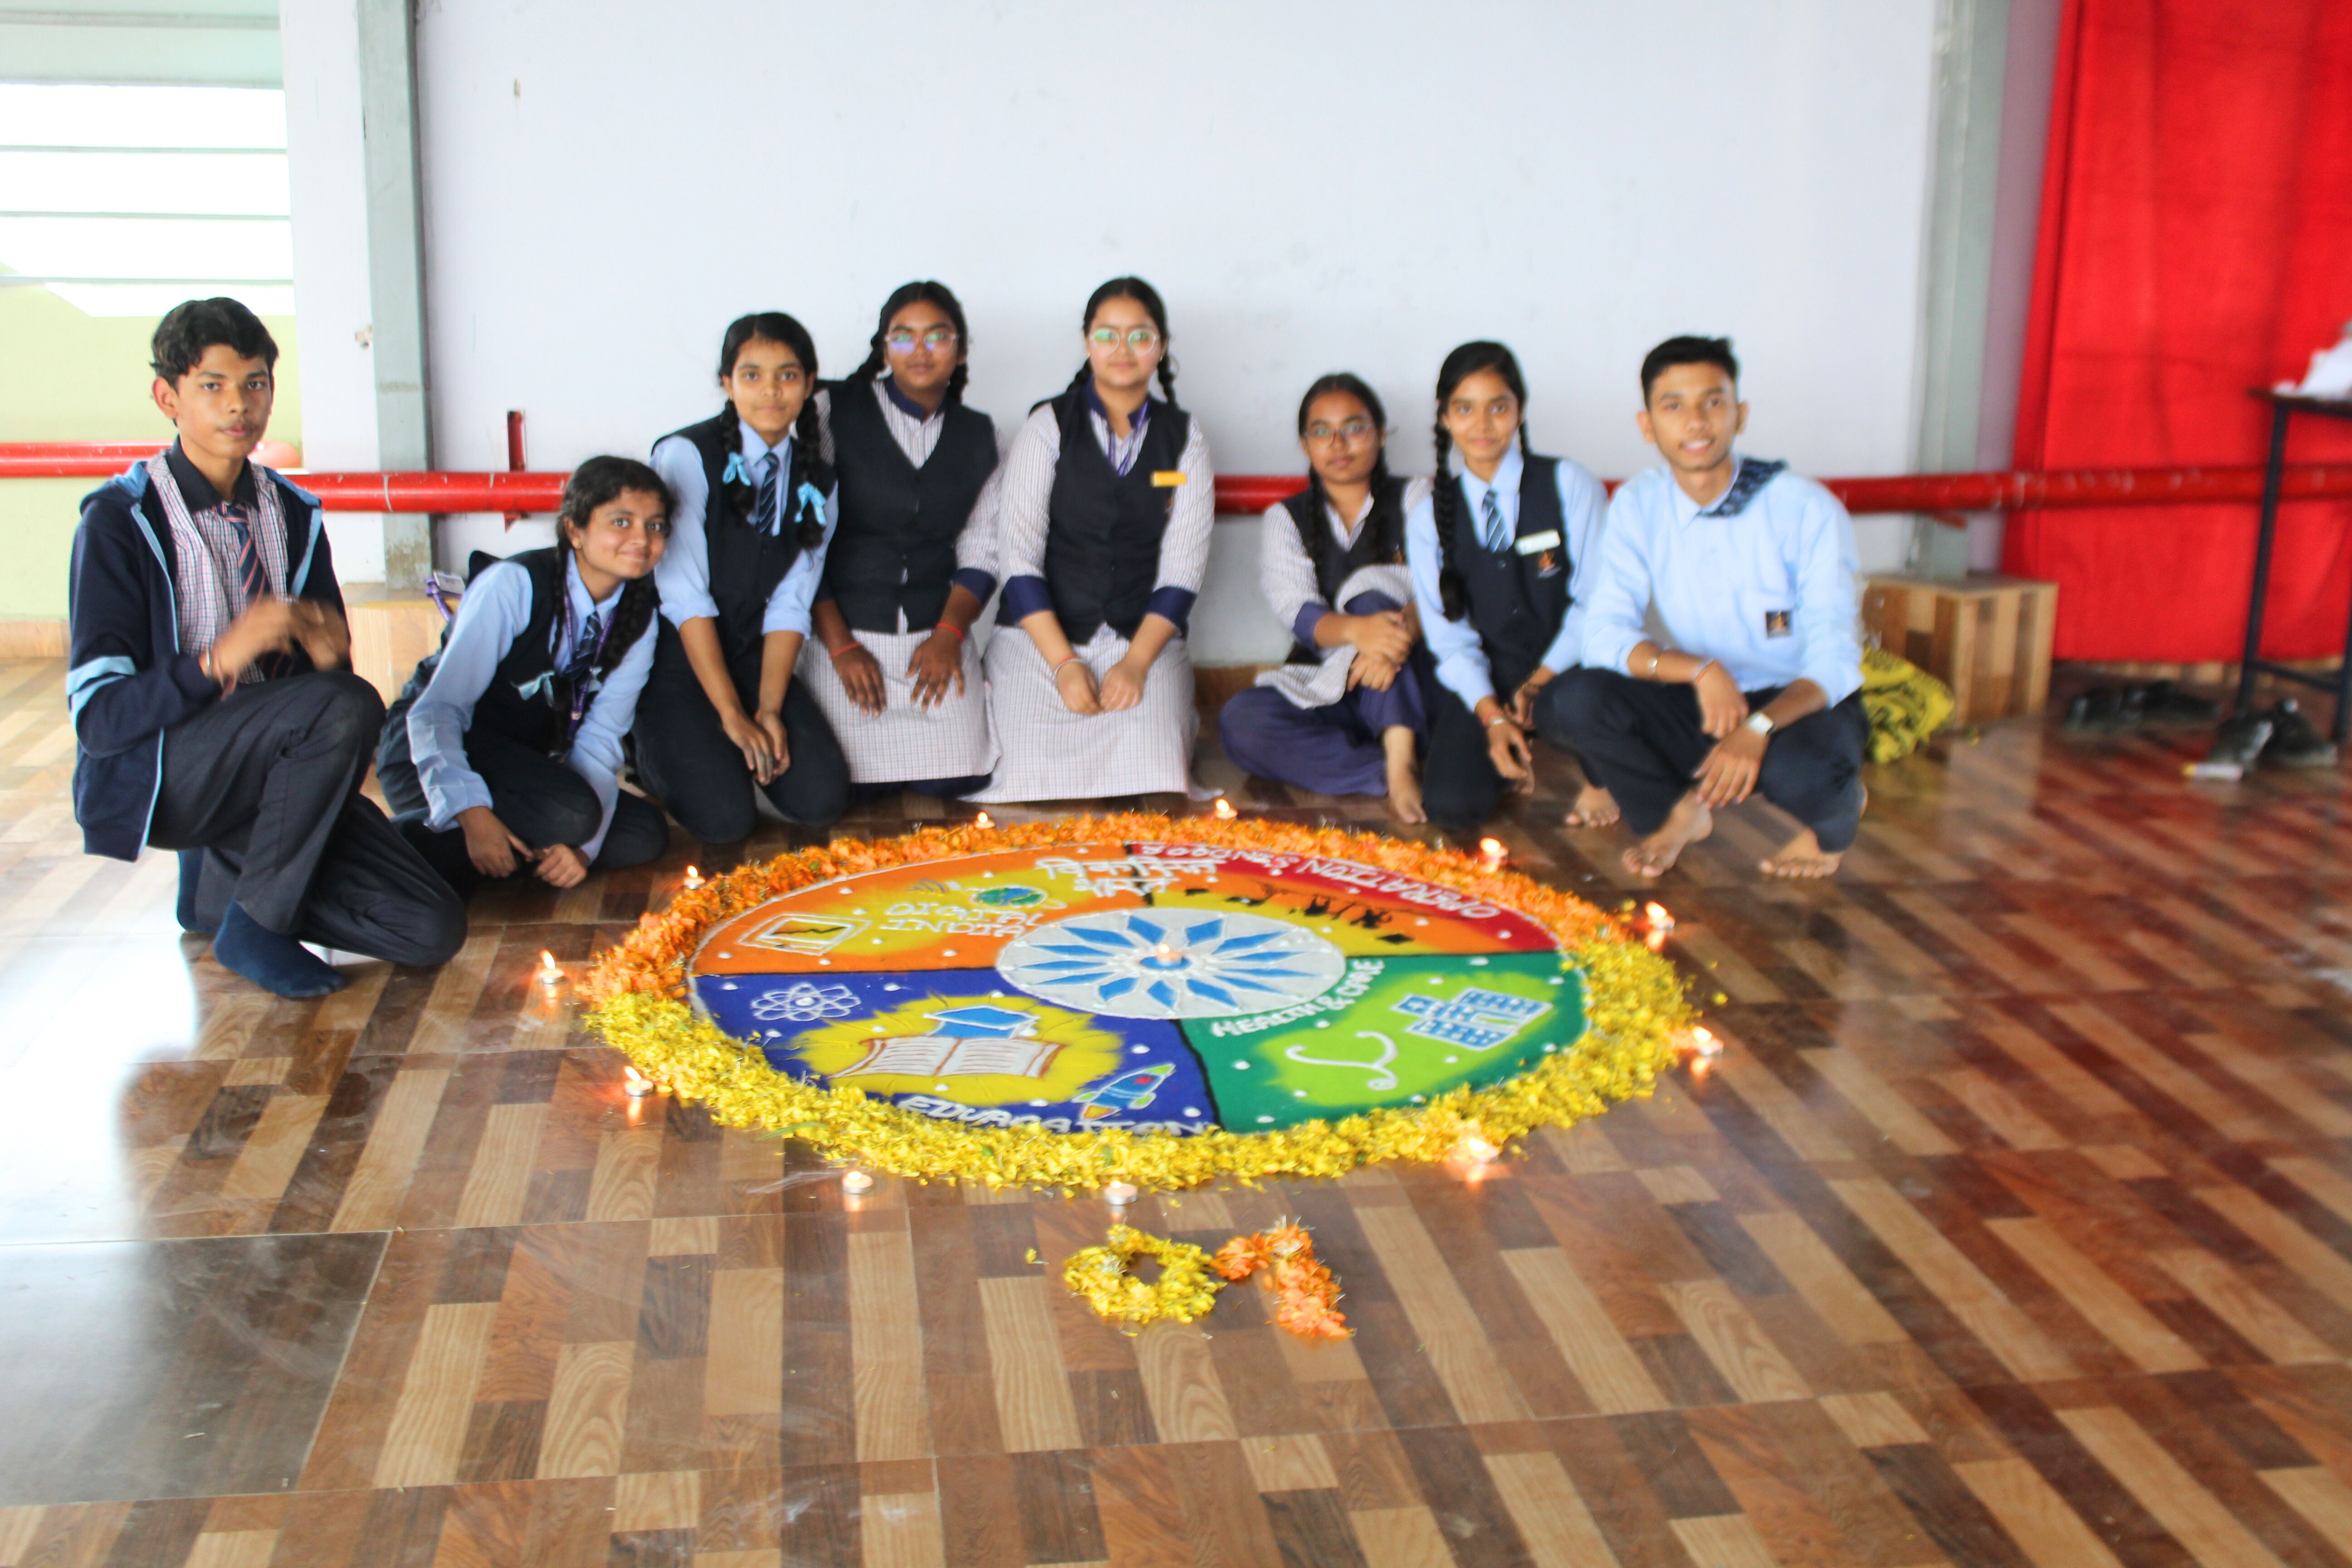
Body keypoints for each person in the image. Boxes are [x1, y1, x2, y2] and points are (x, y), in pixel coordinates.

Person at [67, 298, 464, 996]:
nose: (238, 405)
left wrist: (326, 649)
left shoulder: (291, 512)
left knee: (431, 930)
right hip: (171, 774)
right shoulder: (121, 520)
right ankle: (255, 923)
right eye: (212, 385)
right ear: (168, 398)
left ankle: (221, 893)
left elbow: (326, 682)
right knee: (344, 704)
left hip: (276, 776)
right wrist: (217, 660)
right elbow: (100, 721)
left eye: (255, 384)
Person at [1548, 335, 1866, 879]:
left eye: (1713, 402)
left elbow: (1835, 659)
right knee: (1569, 701)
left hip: (1795, 701)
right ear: (1648, 425)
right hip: (1701, 695)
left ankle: (1835, 819)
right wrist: (1699, 671)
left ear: (1740, 414)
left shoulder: (1804, 506)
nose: (1696, 422)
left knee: (1808, 775)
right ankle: (1680, 812)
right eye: (1674, 406)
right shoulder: (1638, 503)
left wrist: (1758, 726)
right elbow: (1603, 634)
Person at [376, 457, 673, 897]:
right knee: (573, 815)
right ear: (575, 530)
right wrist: (473, 813)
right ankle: (392, 846)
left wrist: (583, 852)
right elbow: (437, 711)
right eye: (621, 522)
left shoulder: (639, 618)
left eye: (656, 526)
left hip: (524, 767)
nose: (642, 539)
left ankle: (494, 851)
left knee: (643, 833)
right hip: (431, 754)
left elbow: (601, 736)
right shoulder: (514, 584)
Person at [970, 278, 1213, 803]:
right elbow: (1018, 559)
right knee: (1026, 775)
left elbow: (1183, 569)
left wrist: (1137, 663)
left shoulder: (1184, 437)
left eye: (1140, 336)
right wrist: (1064, 664)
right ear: (1087, 343)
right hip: (1041, 640)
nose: (1123, 349)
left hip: (1141, 637)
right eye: (1107, 335)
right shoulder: (1048, 426)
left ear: (1161, 347)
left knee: (1158, 772)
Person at [637, 313, 848, 847]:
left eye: (788, 375)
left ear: (809, 385)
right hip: (676, 658)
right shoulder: (686, 455)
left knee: (822, 800)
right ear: (727, 384)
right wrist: (732, 715)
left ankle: (727, 745)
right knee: (726, 821)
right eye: (752, 375)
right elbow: (684, 597)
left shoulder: (820, 480)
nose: (771, 390)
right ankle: (648, 750)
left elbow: (791, 604)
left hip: (752, 655)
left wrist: (768, 710)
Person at [1403, 341, 1612, 842]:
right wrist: (1493, 716)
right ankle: (1515, 748)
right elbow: (1449, 638)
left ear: (1519, 410)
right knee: (1450, 805)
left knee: (1579, 703)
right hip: (1494, 673)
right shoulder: (1429, 514)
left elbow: (1598, 603)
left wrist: (1539, 682)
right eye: (1464, 409)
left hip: (1574, 664)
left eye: (1498, 407)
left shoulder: (1568, 483)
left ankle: (1601, 777)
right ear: (1444, 418)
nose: (1483, 424)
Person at [801, 282, 1000, 799]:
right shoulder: (830, 412)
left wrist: (949, 635)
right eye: (904, 336)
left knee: (956, 779)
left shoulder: (981, 435)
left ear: (960, 350)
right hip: (842, 633)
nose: (920, 350)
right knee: (847, 791)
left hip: (933, 636)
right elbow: (803, 544)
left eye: (937, 336)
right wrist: (842, 647)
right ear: (884, 347)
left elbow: (982, 549)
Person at [1217, 374, 1433, 819]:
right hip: (1333, 686)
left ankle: (1401, 762)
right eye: (1322, 432)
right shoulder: (1287, 518)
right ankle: (1387, 770)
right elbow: (1299, 615)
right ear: (1305, 444)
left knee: (1374, 595)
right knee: (1242, 723)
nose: (1338, 444)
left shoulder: (1416, 497)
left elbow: (1443, 588)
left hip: (1414, 676)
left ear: (1380, 433)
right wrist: (1360, 635)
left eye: (1354, 428)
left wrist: (1392, 633)